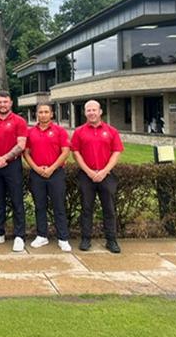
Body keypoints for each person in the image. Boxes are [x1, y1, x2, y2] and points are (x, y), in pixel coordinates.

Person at [71, 99, 124, 253]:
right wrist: (89, 171)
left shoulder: (111, 131)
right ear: (85, 113)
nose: (91, 113)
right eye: (88, 110)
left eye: (94, 110)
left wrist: (104, 171)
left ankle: (111, 240)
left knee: (109, 209)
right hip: (86, 176)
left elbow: (116, 152)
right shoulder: (79, 132)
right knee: (86, 208)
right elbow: (76, 153)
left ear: (100, 112)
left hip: (106, 175)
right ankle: (86, 238)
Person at [0, 91, 28, 252]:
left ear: (11, 103)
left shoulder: (19, 121)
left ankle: (19, 236)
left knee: (17, 201)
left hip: (13, 165)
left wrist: (5, 158)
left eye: (5, 102)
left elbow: (21, 144)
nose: (2, 105)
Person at [23, 103, 72, 252]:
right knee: (40, 206)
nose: (43, 115)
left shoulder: (60, 131)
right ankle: (41, 235)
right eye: (40, 112)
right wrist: (36, 168)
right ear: (36, 114)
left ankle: (63, 238)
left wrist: (51, 168)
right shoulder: (30, 132)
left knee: (59, 206)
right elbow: (26, 153)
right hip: (37, 174)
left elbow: (65, 151)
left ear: (52, 114)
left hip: (56, 173)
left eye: (46, 112)